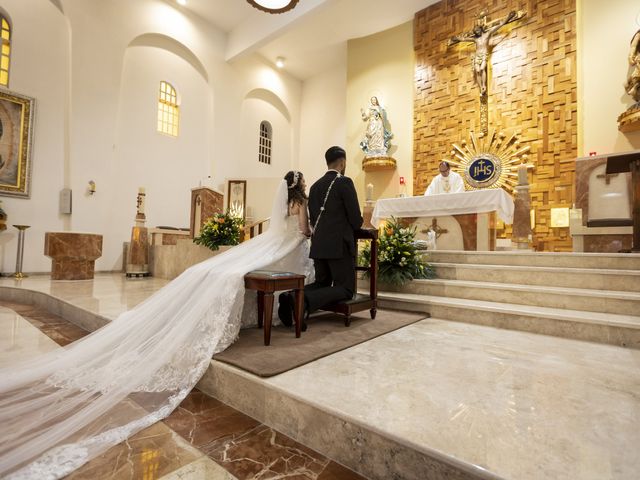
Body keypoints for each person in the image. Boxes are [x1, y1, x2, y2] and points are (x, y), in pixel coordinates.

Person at [0, 171, 313, 478]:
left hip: (271, 242)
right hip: (285, 249)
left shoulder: (284, 204)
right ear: (300, 187)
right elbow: (303, 232)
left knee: (225, 268)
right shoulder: (301, 204)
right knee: (299, 262)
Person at [278, 147, 362, 325]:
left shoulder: (315, 187)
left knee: (322, 282)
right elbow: (355, 220)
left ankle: (291, 295)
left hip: (318, 245)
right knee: (346, 289)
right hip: (339, 246)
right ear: (343, 162)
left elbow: (314, 219)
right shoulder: (345, 182)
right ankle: (302, 301)